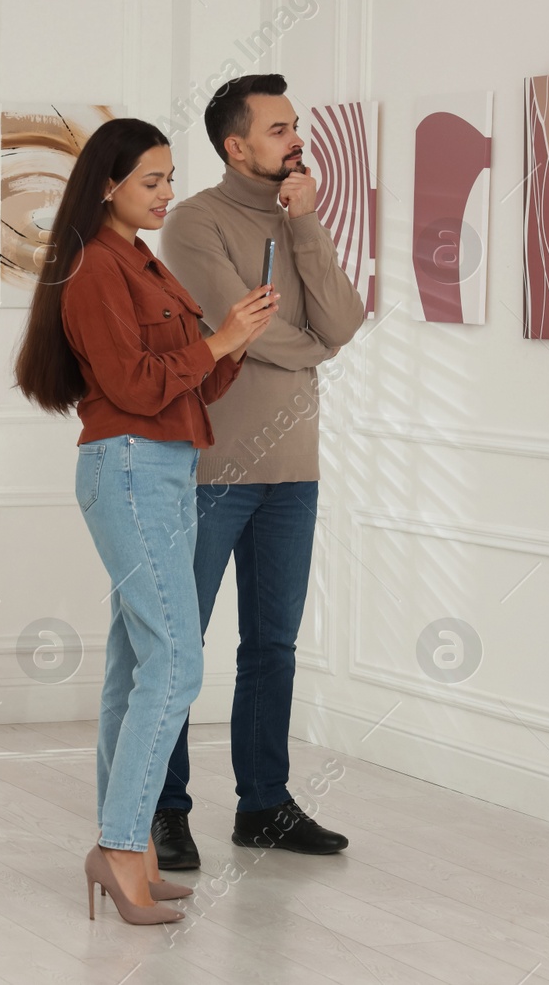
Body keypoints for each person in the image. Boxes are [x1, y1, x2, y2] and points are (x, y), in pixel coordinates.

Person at [13, 118, 277, 924]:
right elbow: (131, 384)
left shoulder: (138, 260)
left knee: (138, 663)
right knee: (178, 663)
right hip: (130, 468)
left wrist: (231, 341)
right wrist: (218, 341)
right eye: (152, 181)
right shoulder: (95, 266)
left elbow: (183, 387)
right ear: (107, 185)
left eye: (169, 178)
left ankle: (124, 843)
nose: (167, 193)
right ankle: (124, 845)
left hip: (162, 464)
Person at [153, 75, 366, 869]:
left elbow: (340, 319)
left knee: (272, 646)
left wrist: (306, 226)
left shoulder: (297, 216)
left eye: (295, 126)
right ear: (235, 145)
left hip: (293, 470)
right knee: (180, 646)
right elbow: (242, 329)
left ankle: (264, 805)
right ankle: (164, 807)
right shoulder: (192, 223)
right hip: (213, 471)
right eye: (279, 129)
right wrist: (314, 344)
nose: (295, 139)